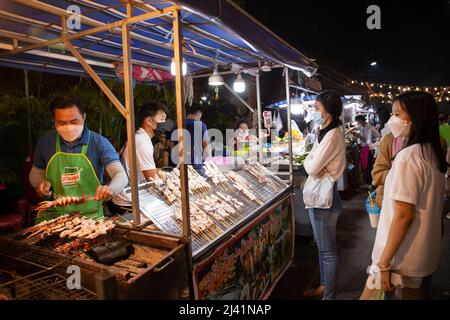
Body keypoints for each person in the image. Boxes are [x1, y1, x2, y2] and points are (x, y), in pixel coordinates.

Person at [360, 92, 446, 300]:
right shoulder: (432, 152)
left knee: (369, 295)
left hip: (398, 253)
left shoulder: (409, 156)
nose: (393, 120)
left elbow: (403, 216)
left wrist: (383, 262)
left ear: (416, 117)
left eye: (398, 114)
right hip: (419, 253)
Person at [29, 96, 128, 221]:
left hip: (89, 218)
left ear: (84, 117)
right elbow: (35, 173)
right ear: (54, 121)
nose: (69, 127)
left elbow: (120, 174)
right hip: (52, 217)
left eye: (74, 121)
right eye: (62, 123)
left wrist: (111, 189)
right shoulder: (45, 142)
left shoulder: (99, 143)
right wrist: (40, 183)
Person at [302, 91, 346, 300]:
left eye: (317, 108)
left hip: (324, 202)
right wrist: (311, 159)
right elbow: (313, 158)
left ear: (328, 111)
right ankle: (323, 286)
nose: (314, 111)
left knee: (328, 252)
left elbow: (312, 166)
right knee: (322, 249)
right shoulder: (325, 131)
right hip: (321, 198)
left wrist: (309, 161)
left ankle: (329, 296)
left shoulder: (333, 134)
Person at [110, 102, 167, 214]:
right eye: (162, 119)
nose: (164, 123)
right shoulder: (142, 142)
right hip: (126, 202)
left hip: (127, 197)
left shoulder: (140, 137)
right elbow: (152, 179)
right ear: (149, 121)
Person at [171, 104, 210, 175]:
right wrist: (208, 163)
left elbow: (173, 145)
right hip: (196, 165)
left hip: (180, 165)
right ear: (198, 113)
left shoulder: (177, 125)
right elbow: (206, 147)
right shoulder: (201, 125)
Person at [353, 115, 381, 187]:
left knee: (367, 166)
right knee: (366, 166)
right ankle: (368, 182)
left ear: (361, 121)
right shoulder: (364, 127)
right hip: (366, 148)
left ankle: (369, 183)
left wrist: (358, 136)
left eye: (358, 121)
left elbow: (367, 141)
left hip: (368, 148)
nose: (358, 123)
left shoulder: (369, 128)